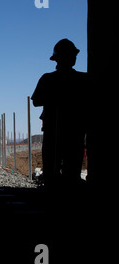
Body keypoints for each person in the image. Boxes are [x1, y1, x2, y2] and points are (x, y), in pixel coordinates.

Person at [32, 39, 90, 187]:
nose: (72, 59)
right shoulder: (49, 79)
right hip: (56, 131)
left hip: (73, 131)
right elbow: (36, 100)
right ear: (58, 58)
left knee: (70, 172)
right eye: (68, 56)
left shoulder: (82, 79)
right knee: (54, 171)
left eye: (72, 56)